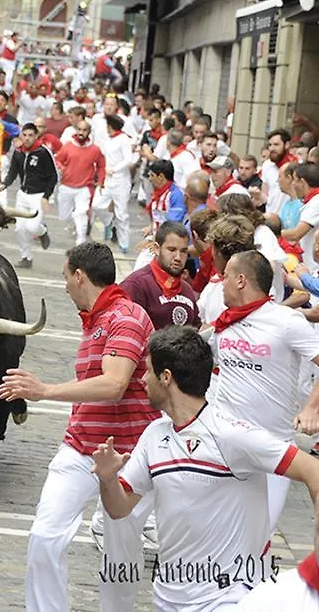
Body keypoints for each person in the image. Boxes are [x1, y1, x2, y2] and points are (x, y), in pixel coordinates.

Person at [93, 326, 319, 610]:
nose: (141, 379)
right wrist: (107, 479)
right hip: (168, 597)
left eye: (148, 371)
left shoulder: (232, 434)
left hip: (230, 598)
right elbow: (119, 508)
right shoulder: (154, 435)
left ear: (166, 378)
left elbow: (313, 471)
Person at [0, 242, 157, 612]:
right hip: (80, 446)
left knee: (120, 553)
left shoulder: (126, 318)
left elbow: (114, 384)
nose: (65, 285)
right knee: (44, 536)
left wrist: (45, 390)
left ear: (79, 275)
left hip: (128, 456)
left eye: (66, 277)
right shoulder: (96, 318)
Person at [208, 250, 319, 534]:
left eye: (227, 277)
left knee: (257, 537)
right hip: (224, 447)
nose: (222, 283)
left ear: (241, 280)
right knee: (216, 532)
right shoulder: (223, 326)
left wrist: (311, 408)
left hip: (273, 450)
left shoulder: (286, 322)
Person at [120, 221, 201, 329]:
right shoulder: (136, 285)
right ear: (157, 248)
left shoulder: (187, 290)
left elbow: (196, 329)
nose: (178, 257)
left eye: (183, 251)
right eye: (171, 250)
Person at [0, 122, 55, 268]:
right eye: (24, 135)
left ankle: (42, 231)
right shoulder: (18, 152)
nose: (27, 138)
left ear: (36, 136)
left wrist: (46, 196)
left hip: (38, 196)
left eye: (31, 135)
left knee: (32, 228)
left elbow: (53, 176)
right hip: (22, 195)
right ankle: (26, 257)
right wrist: (4, 184)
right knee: (19, 229)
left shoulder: (43, 152)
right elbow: (12, 172)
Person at [91, 113, 137, 254]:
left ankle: (124, 243)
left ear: (111, 126)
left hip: (121, 181)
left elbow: (128, 159)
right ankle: (108, 223)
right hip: (108, 180)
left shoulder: (124, 139)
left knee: (121, 213)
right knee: (96, 205)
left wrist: (115, 169)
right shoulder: (108, 140)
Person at [55, 119, 105, 245]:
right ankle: (75, 224)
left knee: (81, 213)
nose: (81, 132)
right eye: (79, 129)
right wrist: (60, 168)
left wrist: (100, 182)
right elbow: (58, 160)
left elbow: (101, 166)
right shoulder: (68, 146)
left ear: (89, 132)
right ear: (76, 130)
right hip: (66, 186)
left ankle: (81, 240)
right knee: (64, 217)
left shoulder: (95, 149)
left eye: (85, 130)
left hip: (84, 187)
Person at [282, 162, 319, 273]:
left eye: (294, 180)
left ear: (302, 182)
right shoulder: (312, 201)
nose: (292, 184)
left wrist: (277, 233)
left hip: (315, 268)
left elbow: (296, 234)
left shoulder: (316, 202)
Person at [263, 129, 297, 215]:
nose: (272, 148)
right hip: (270, 216)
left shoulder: (297, 165)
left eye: (276, 145)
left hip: (290, 217)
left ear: (287, 145)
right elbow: (265, 194)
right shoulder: (267, 165)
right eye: (270, 145)